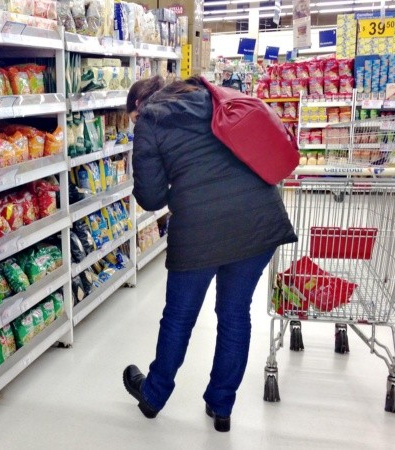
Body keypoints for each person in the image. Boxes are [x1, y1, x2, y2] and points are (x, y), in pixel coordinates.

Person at [122, 76, 297, 432]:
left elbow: (151, 198)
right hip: (258, 221)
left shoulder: (150, 122)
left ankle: (153, 396)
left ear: (139, 107)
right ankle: (221, 407)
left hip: (199, 230)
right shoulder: (210, 96)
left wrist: (181, 185)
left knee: (179, 317)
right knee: (234, 314)